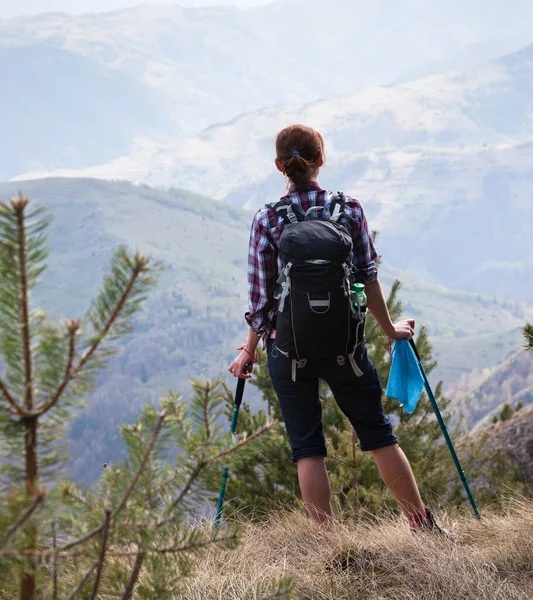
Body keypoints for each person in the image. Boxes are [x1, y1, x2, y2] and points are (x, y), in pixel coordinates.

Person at [228, 124, 442, 531]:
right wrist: (389, 329)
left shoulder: (267, 220)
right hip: (347, 349)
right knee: (379, 436)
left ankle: (328, 547)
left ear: (279, 166)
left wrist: (250, 350)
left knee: (308, 449)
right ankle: (421, 525)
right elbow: (368, 276)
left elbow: (261, 303)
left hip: (289, 354)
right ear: (321, 160)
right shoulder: (349, 210)